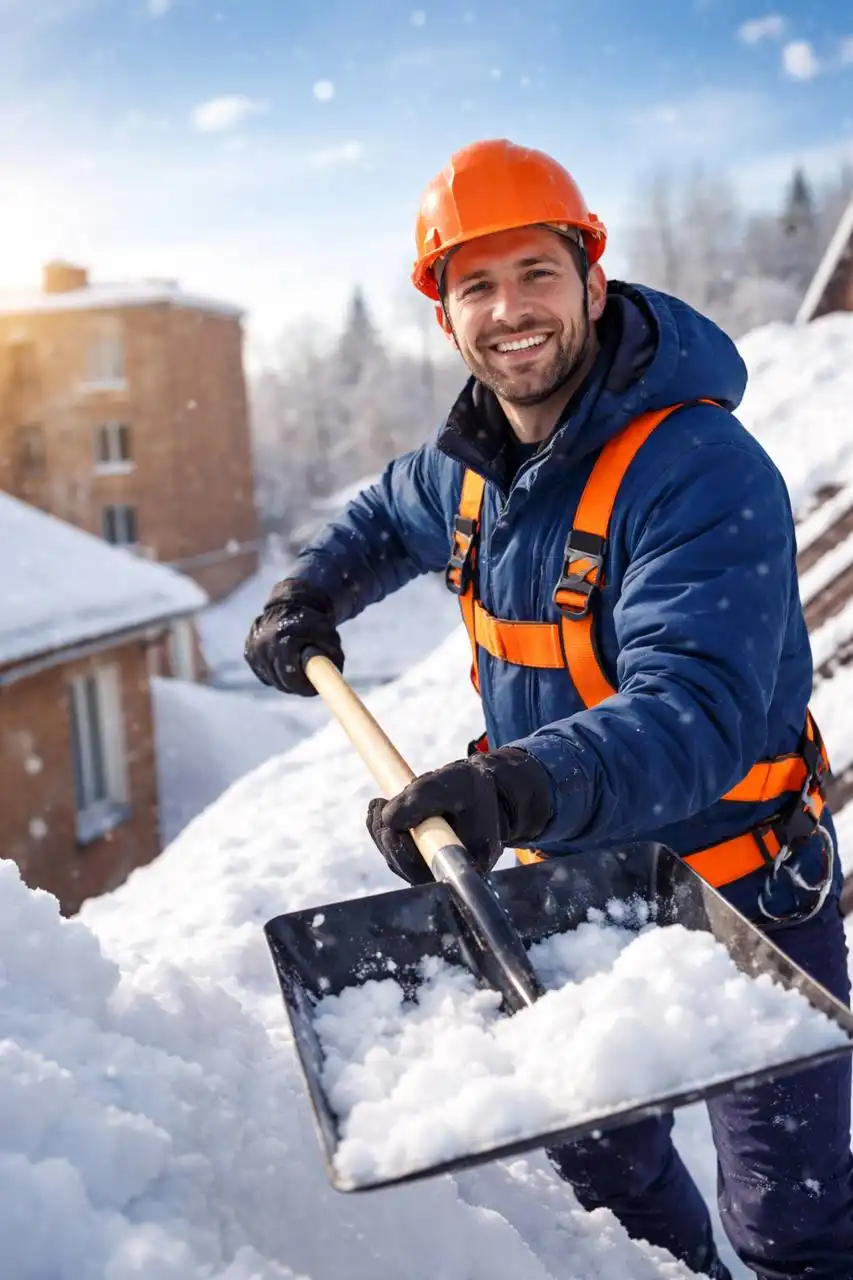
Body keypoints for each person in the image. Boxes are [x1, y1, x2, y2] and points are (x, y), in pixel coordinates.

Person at [245, 139, 853, 1279]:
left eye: (534, 271)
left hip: (747, 888)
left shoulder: (697, 465)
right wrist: (309, 592)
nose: (509, 310)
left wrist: (505, 784)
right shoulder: (470, 466)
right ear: (444, 312)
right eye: (475, 284)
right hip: (573, 892)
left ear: (591, 277)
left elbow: (697, 710)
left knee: (796, 1223)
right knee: (610, 1194)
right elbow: (385, 511)